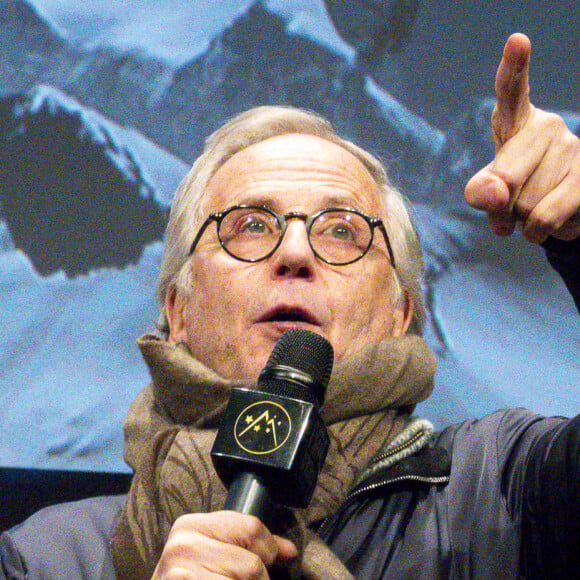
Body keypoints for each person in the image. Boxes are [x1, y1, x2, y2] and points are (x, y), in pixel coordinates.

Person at [1, 33, 579, 579]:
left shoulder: (502, 494)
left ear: (402, 315)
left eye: (342, 231)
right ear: (177, 313)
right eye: (251, 226)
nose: (296, 252)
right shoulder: (48, 559)